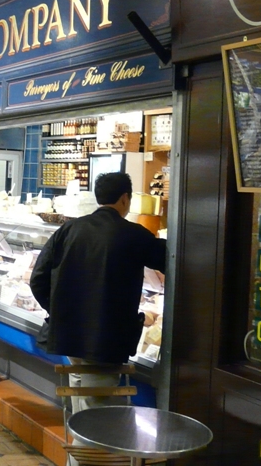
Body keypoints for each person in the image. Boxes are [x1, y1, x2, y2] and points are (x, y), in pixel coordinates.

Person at [30, 172, 166, 418]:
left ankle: (77, 457)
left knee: (81, 403)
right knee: (98, 411)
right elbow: (171, 261)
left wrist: (60, 311)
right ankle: (88, 456)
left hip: (70, 335)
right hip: (106, 338)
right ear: (125, 199)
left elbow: (38, 278)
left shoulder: (69, 228)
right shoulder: (134, 234)